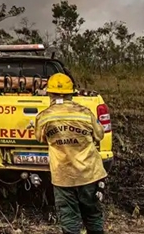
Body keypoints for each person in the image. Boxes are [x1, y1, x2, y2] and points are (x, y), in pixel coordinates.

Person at [35, 73, 107, 234]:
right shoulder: (85, 113)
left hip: (63, 176)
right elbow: (100, 135)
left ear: (50, 94)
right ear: (71, 94)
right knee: (93, 216)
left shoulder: (44, 117)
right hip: (89, 174)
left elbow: (40, 138)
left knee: (69, 220)